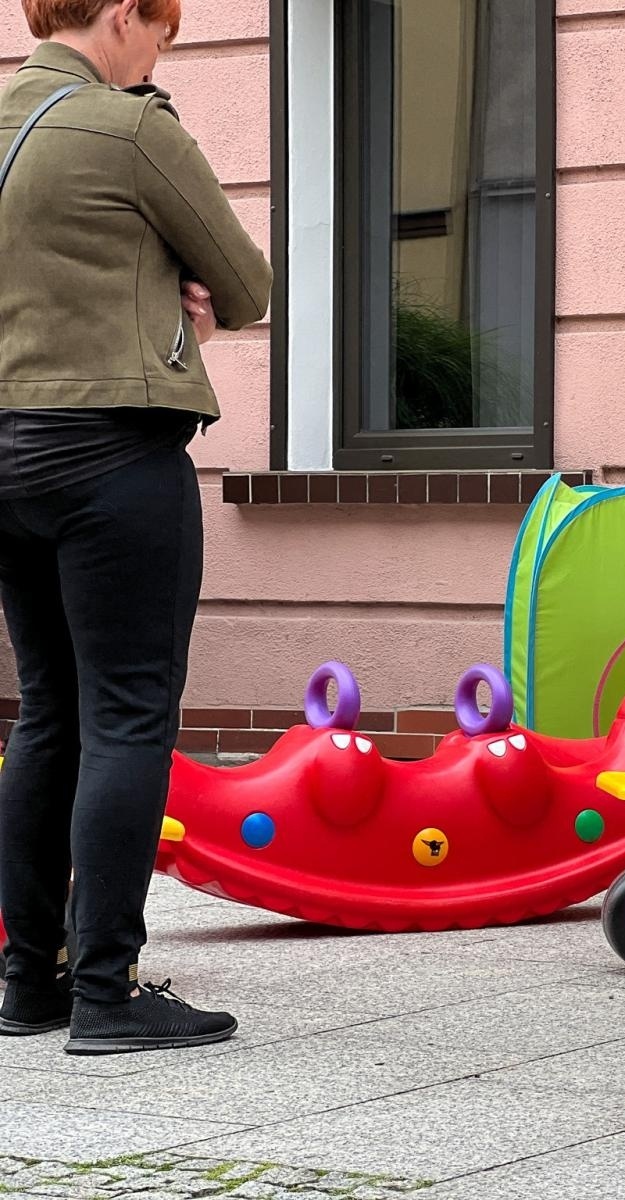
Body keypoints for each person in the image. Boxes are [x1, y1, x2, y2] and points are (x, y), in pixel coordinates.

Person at [0, 0, 272, 1054]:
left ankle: (31, 984)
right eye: (162, 30)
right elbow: (245, 285)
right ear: (121, 16)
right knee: (126, 715)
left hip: (7, 455)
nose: (162, 51)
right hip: (111, 455)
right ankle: (108, 993)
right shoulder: (126, 126)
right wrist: (182, 290)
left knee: (46, 715)